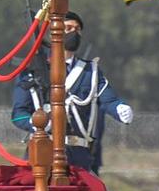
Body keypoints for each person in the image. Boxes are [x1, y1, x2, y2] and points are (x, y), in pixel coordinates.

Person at [12, 10, 131, 176]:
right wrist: (37, 124)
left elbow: (108, 99)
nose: (73, 33)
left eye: (77, 29)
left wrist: (119, 108)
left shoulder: (90, 71)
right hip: (43, 150)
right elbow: (18, 114)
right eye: (68, 28)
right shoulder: (32, 70)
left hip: (78, 153)